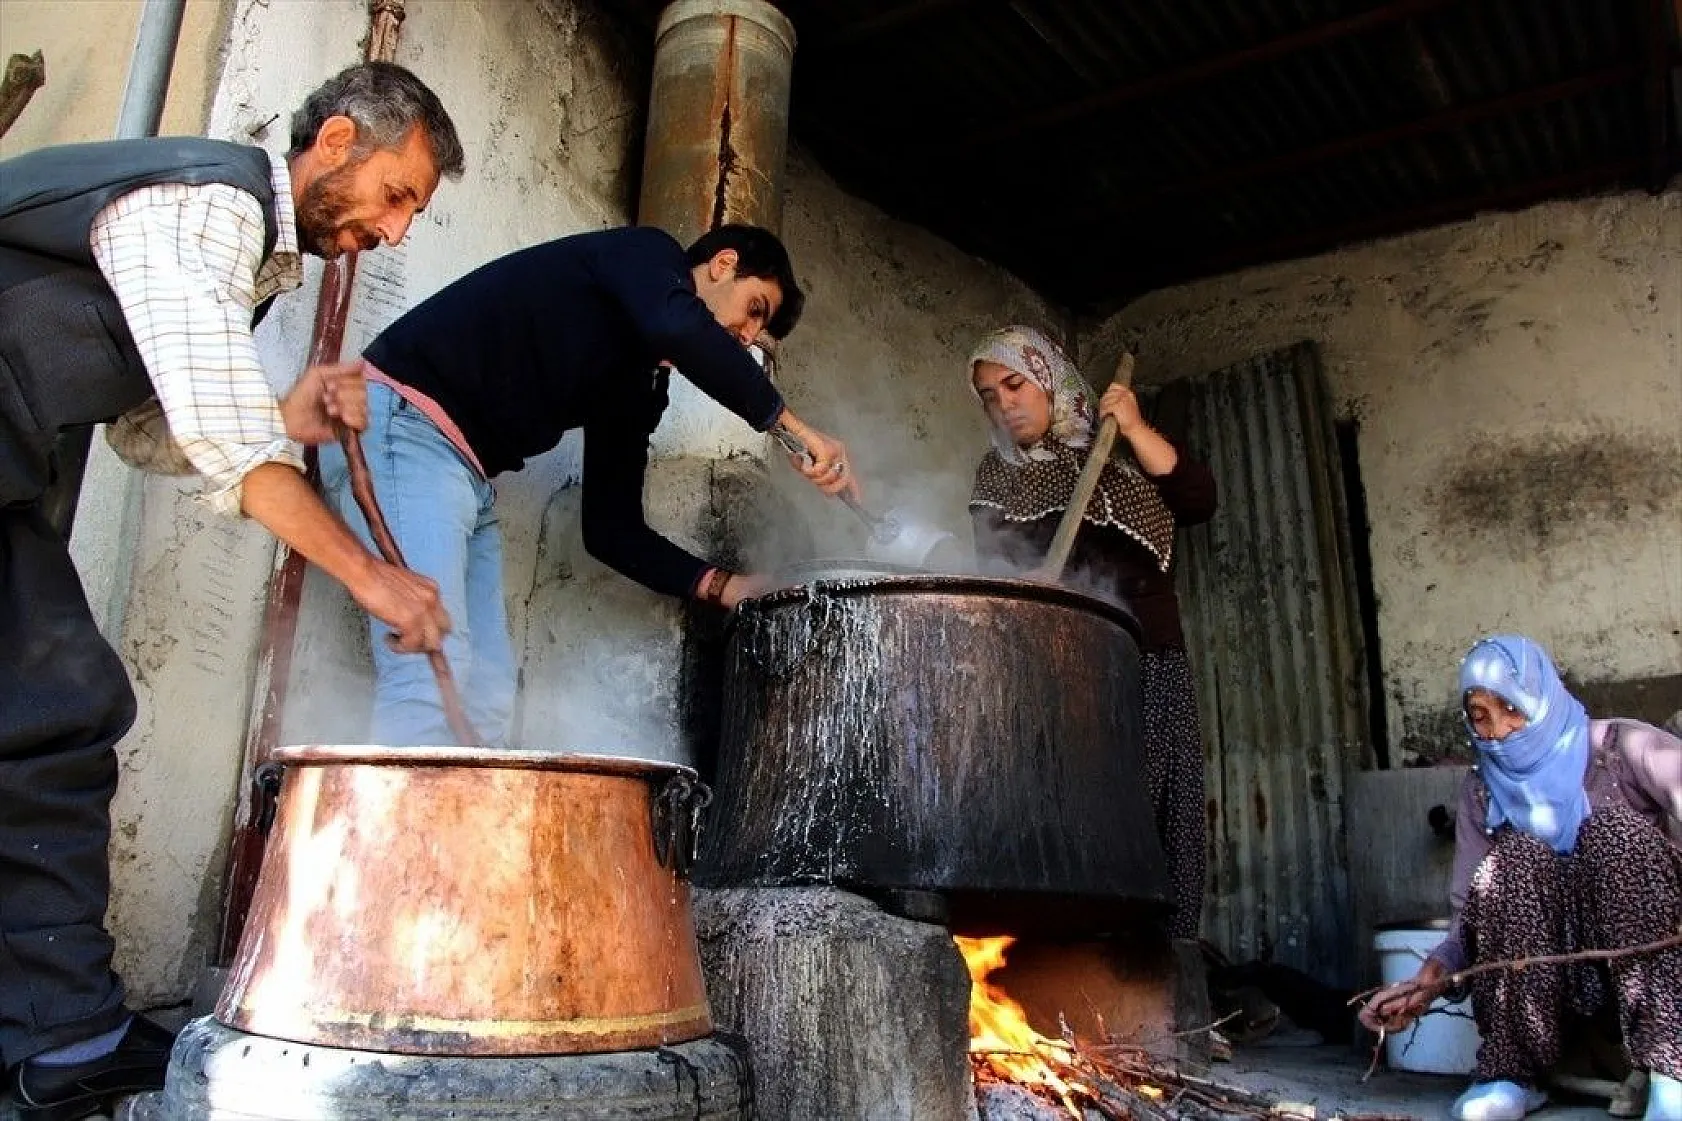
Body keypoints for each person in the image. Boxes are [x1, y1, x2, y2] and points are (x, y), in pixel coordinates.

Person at [0, 62, 463, 1118]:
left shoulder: (250, 254)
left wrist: (282, 419)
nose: (396, 232)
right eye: (399, 195)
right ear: (337, 140)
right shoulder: (206, 198)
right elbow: (228, 450)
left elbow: (151, 429)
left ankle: (61, 1036)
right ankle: (64, 1034)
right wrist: (373, 578)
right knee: (50, 715)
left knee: (49, 720)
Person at [319, 222, 856, 747]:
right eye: (753, 310)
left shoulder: (642, 380)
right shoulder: (646, 253)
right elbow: (676, 325)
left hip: (467, 474)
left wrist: (725, 586)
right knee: (431, 671)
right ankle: (387, 835)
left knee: (487, 694)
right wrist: (793, 427)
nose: (744, 337)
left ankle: (455, 832)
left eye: (756, 338)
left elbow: (611, 528)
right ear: (723, 264)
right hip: (403, 426)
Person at [1359, 635, 1681, 1121]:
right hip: (1561, 1010)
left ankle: (1672, 1077)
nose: (1498, 732)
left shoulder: (1622, 748)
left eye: (1511, 708)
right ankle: (1513, 1073)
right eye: (1479, 716)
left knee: (1615, 834)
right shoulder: (1483, 791)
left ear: (1542, 697)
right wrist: (1423, 984)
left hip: (1656, 997)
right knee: (1516, 858)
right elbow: (1470, 912)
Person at [964, 325, 1217, 941]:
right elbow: (995, 564)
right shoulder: (998, 475)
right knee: (1073, 808)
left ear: (1050, 378)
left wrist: (1130, 425)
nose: (1005, 404)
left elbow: (1198, 499)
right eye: (990, 395)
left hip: (1146, 655)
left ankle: (1165, 964)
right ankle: (1073, 961)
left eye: (1015, 383)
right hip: (1055, 662)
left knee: (1158, 806)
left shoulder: (1125, 453)